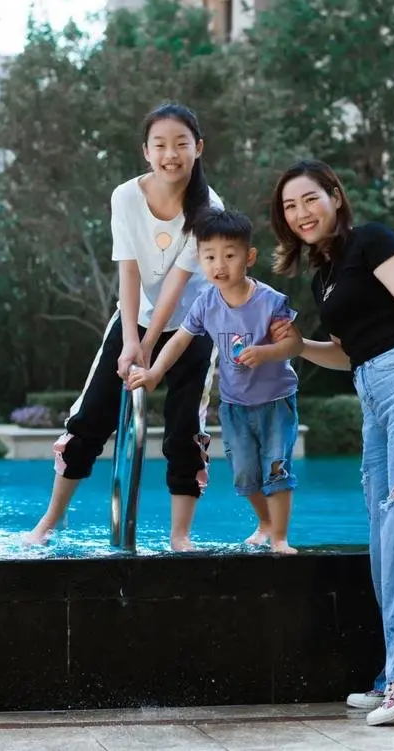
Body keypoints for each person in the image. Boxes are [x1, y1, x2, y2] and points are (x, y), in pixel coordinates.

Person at [269, 160, 394, 726]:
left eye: (309, 200)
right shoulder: (322, 276)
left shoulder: (372, 240)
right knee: (386, 532)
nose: (301, 214)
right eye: (289, 207)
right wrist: (301, 345)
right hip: (372, 391)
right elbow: (348, 353)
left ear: (334, 196)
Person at [25, 103, 222, 552]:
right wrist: (132, 338)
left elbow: (178, 283)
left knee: (183, 430)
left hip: (194, 329)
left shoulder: (209, 208)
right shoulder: (126, 196)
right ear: (146, 152)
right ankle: (50, 522)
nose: (171, 154)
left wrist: (152, 344)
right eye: (160, 145)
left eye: (181, 144)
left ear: (198, 148)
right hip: (133, 317)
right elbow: (128, 269)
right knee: (90, 416)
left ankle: (180, 536)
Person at [128, 208, 302, 554]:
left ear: (248, 257)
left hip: (274, 401)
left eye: (229, 255)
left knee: (276, 468)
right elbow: (179, 340)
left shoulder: (270, 301)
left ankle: (280, 537)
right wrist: (155, 373)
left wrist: (266, 353)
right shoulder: (205, 302)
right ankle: (265, 522)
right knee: (244, 473)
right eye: (209, 257)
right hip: (235, 404)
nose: (219, 265)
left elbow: (294, 343)